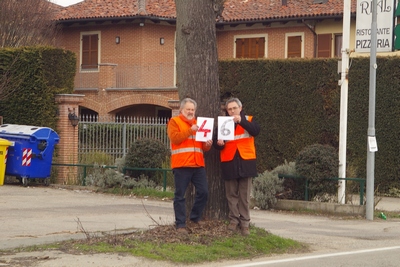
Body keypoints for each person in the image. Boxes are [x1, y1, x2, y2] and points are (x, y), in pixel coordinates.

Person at [213, 97, 260, 236]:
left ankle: (245, 223)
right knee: (231, 195)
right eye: (230, 109)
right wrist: (219, 143)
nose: (232, 111)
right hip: (229, 162)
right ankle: (234, 221)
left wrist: (241, 121)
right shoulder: (223, 123)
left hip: (246, 162)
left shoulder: (249, 120)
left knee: (244, 196)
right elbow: (216, 143)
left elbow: (256, 131)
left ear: (240, 108)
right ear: (227, 111)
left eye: (234, 108)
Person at [167, 98, 213, 234]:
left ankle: (194, 217)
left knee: (204, 192)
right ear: (181, 110)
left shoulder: (199, 123)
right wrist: (190, 130)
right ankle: (180, 224)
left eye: (192, 110)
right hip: (181, 165)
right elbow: (175, 138)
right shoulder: (174, 122)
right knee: (180, 195)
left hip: (198, 164)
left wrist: (208, 145)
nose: (191, 112)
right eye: (188, 109)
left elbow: (202, 146)